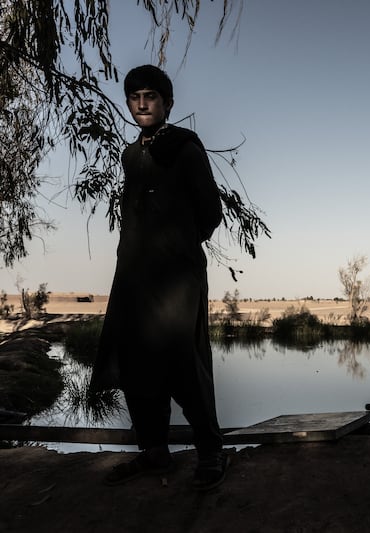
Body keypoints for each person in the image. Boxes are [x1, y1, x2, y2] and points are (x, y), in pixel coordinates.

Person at [90, 64, 228, 490]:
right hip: (133, 276)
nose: (143, 103)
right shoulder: (130, 156)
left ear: (168, 103)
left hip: (177, 277)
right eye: (135, 97)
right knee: (136, 360)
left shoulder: (186, 147)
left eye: (151, 95)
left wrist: (179, 250)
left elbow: (211, 211)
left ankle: (210, 451)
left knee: (182, 358)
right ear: (129, 104)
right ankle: (154, 452)